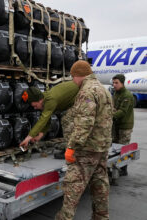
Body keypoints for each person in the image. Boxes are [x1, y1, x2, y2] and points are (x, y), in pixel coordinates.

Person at [55, 60, 113, 220]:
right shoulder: (104, 90)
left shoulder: (87, 91)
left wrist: (72, 146)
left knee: (73, 186)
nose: (73, 81)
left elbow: (85, 122)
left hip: (87, 149)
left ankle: (64, 218)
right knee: (100, 184)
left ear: (78, 75)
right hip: (101, 147)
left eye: (73, 77)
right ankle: (101, 217)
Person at [19, 81, 79, 150]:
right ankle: (71, 147)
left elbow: (43, 120)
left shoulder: (50, 100)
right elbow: (47, 120)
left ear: (40, 100)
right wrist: (40, 135)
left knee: (66, 120)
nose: (35, 108)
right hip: (75, 100)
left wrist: (28, 138)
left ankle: (71, 149)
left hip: (84, 97)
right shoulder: (44, 98)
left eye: (35, 105)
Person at [112, 74, 134, 177]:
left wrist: (110, 117)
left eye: (116, 83)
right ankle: (116, 167)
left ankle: (123, 169)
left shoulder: (127, 95)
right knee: (115, 148)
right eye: (113, 83)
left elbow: (122, 111)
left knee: (123, 148)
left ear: (122, 83)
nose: (114, 85)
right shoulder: (116, 93)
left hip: (125, 126)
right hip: (116, 125)